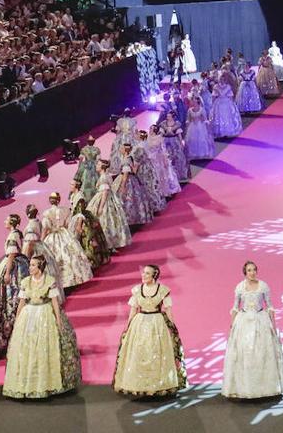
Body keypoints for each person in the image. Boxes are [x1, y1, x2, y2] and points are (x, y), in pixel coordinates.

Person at [3, 254, 82, 400]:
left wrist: (59, 320)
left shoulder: (49, 281)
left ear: (40, 267)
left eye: (33, 265)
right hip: (29, 314)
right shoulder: (26, 282)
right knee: (26, 347)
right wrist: (18, 319)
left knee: (45, 346)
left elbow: (54, 302)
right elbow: (21, 301)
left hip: (45, 314)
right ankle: (26, 383)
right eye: (30, 265)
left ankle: (46, 383)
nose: (30, 267)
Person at [112, 265, 188, 397]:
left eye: (147, 273)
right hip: (140, 323)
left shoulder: (162, 290)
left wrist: (172, 327)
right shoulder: (137, 290)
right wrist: (127, 327)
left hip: (157, 323)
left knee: (157, 352)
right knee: (138, 352)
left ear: (154, 276)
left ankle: (158, 385)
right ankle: (139, 385)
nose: (143, 275)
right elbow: (133, 310)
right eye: (143, 273)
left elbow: (168, 310)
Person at [222, 260, 283, 399]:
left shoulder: (263, 286)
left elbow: (270, 306)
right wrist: (231, 326)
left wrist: (274, 325)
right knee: (245, 354)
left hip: (261, 321)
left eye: (254, 269)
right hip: (244, 323)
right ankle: (245, 388)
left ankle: (265, 388)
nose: (252, 272)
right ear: (245, 272)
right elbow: (236, 307)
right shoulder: (240, 287)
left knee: (262, 353)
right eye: (249, 270)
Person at [0, 214, 31, 342]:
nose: (4, 221)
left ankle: (14, 320)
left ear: (12, 222)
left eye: (6, 220)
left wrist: (7, 272)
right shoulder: (17, 233)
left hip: (14, 266)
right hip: (21, 263)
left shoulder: (13, 236)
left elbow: (12, 254)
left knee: (12, 292)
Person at [42, 191, 93, 287]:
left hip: (52, 236)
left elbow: (45, 228)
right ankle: (73, 279)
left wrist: (42, 241)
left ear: (50, 201)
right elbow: (68, 224)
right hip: (64, 234)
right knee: (70, 255)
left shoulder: (47, 213)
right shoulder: (65, 210)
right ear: (59, 200)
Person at [89, 159, 132, 249]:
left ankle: (108, 243)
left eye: (98, 164)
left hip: (105, 201)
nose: (96, 166)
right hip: (109, 199)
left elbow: (105, 192)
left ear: (102, 167)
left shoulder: (104, 177)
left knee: (106, 221)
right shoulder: (106, 175)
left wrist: (100, 206)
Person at [68, 196, 111, 271]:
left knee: (88, 246)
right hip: (88, 229)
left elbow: (79, 226)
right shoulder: (88, 213)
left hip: (86, 232)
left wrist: (81, 232)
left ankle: (92, 263)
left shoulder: (80, 214)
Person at [76, 136, 101, 201]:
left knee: (84, 180)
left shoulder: (84, 149)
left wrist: (79, 168)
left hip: (86, 166)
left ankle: (85, 195)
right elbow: (98, 159)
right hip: (94, 166)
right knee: (95, 180)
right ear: (94, 142)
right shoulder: (97, 149)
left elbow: (81, 159)